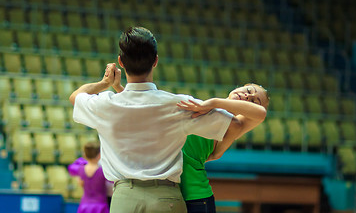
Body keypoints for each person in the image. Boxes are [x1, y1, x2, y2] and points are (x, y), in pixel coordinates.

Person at [69, 27, 246, 213]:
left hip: (124, 198)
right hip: (167, 196)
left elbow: (76, 96)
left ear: (121, 62)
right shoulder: (179, 104)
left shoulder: (105, 104)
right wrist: (218, 150)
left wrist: (105, 83)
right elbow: (234, 124)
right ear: (155, 61)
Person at [177, 83, 269, 213]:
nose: (248, 96)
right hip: (170, 191)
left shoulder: (234, 125)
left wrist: (213, 103)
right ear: (239, 87)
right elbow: (215, 155)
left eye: (254, 101)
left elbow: (261, 113)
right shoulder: (200, 106)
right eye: (248, 90)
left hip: (195, 195)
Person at [68, 141, 110, 213]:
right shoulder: (103, 171)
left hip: (84, 205)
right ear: (99, 155)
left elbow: (80, 182)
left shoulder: (80, 169)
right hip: (99, 205)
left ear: (85, 155)